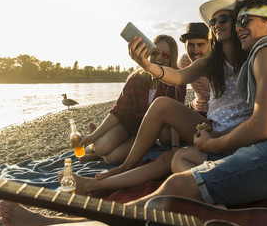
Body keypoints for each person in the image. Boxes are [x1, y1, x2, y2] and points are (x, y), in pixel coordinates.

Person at [0, 0, 252, 226]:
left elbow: (262, 117)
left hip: (229, 134)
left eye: (223, 18)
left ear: (239, 23)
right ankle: (121, 168)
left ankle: (82, 212)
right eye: (214, 20)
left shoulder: (254, 55)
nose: (217, 24)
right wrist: (146, 64)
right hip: (203, 124)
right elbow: (172, 79)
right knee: (159, 125)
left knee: (169, 159)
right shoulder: (205, 62)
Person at [128, 0, 267, 207]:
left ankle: (112, 217)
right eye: (237, 22)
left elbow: (263, 127)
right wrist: (148, 65)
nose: (238, 28)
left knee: (177, 186)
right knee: (182, 165)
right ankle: (211, 203)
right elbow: (179, 76)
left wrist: (215, 143)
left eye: (245, 21)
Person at [78, 34, 186, 165]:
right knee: (102, 147)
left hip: (147, 133)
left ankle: (96, 151)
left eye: (165, 55)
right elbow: (118, 112)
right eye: (156, 52)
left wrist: (175, 148)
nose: (159, 57)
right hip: (126, 125)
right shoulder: (136, 78)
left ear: (172, 57)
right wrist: (92, 137)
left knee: (112, 159)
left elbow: (176, 116)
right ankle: (94, 144)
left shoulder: (177, 82)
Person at [178, 22, 211, 117]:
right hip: (195, 108)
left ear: (210, 45)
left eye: (201, 45)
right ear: (185, 46)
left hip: (217, 112)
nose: (195, 51)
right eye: (191, 45)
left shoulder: (220, 63)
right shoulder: (185, 61)